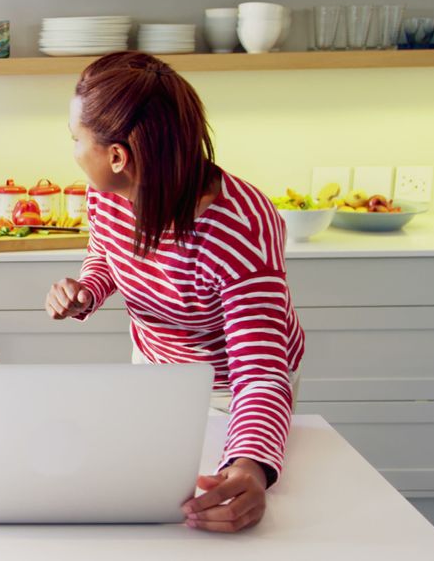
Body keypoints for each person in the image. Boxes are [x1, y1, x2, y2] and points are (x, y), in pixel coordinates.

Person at [44, 51, 304, 533]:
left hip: (230, 393)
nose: (74, 150)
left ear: (117, 156)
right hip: (154, 371)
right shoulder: (106, 190)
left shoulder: (240, 229)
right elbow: (106, 249)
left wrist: (250, 467)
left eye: (75, 139)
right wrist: (89, 289)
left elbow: (263, 374)